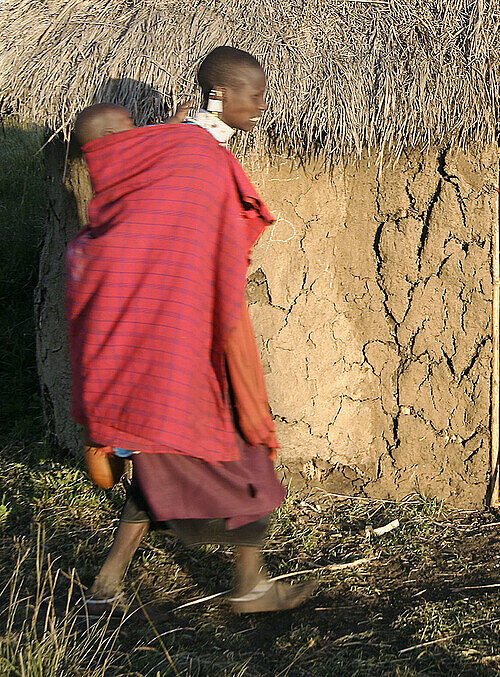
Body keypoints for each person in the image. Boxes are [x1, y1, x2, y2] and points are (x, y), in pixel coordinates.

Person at [69, 46, 314, 613]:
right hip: (183, 355)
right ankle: (250, 588)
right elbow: (161, 251)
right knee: (248, 471)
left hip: (174, 353)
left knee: (157, 470)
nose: (262, 105)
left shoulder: (183, 148)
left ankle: (105, 587)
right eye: (253, 94)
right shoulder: (190, 154)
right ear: (221, 94)